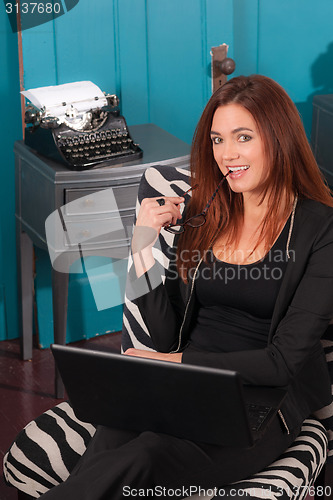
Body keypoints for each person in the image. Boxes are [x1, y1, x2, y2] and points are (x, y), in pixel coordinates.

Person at [41, 75, 333, 500]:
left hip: (262, 403)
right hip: (183, 385)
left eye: (243, 137)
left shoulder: (320, 230)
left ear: (279, 137)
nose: (226, 155)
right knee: (112, 437)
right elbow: (163, 334)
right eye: (217, 140)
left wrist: (174, 363)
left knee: (147, 455)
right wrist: (142, 239)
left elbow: (281, 364)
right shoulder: (207, 211)